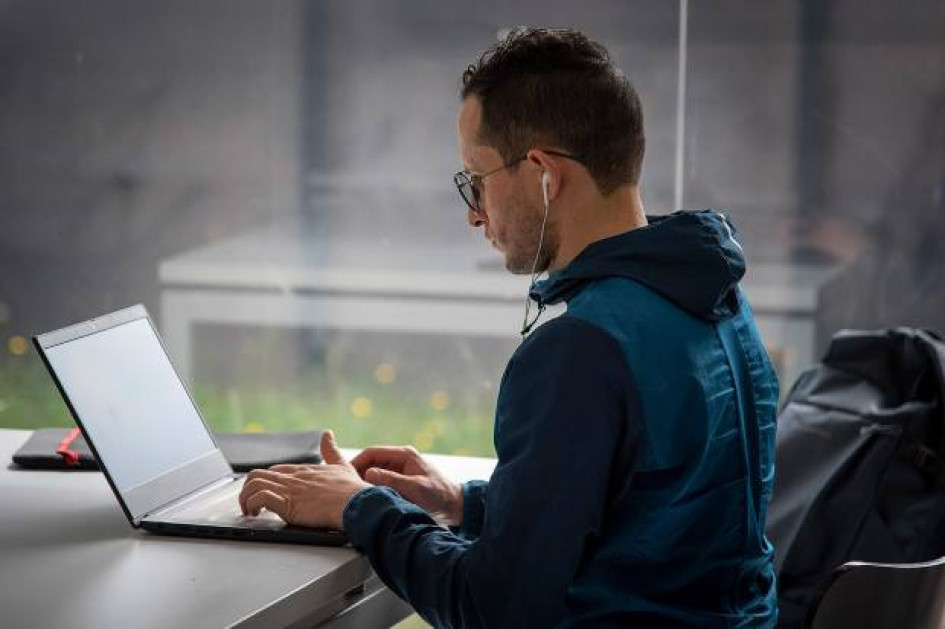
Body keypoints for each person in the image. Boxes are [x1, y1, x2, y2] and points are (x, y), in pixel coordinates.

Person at [238, 27, 780, 627]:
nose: (474, 215)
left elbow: (491, 609)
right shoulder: (718, 300)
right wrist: (463, 504)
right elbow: (643, 514)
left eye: (477, 181)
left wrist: (360, 508)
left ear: (544, 175)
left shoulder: (582, 352)